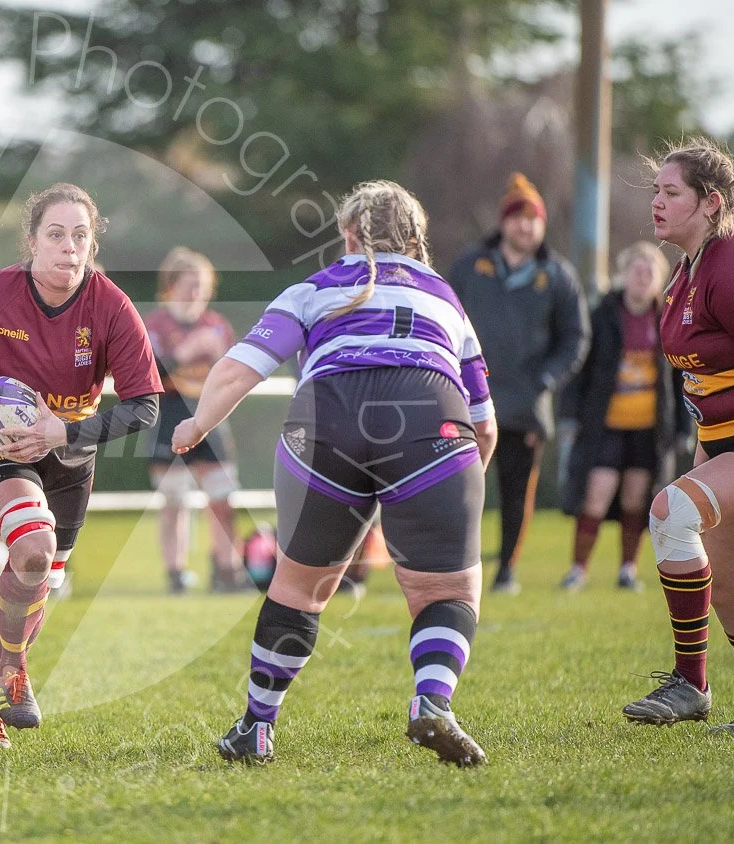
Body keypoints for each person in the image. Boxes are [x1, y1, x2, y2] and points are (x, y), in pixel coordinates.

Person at [174, 180, 497, 767]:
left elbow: (237, 370)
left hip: (327, 417)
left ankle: (257, 726)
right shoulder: (447, 299)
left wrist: (195, 427)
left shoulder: (314, 288)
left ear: (349, 236)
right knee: (445, 590)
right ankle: (432, 701)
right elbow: (486, 423)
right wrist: (451, 487)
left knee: (299, 586)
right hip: (429, 418)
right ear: (416, 240)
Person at [0, 183, 163, 749]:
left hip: (71, 456)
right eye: (55, 234)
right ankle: (8, 678)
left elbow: (145, 406)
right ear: (31, 242)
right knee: (33, 548)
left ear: (92, 243)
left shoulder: (112, 307)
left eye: (80, 235)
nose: (69, 247)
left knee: (41, 583)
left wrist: (65, 430)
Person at [621, 138, 734, 734]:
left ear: (710, 203)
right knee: (733, 592)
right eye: (655, 191)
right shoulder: (690, 266)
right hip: (732, 443)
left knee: (667, 510)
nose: (656, 202)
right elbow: (709, 384)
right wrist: (704, 456)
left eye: (670, 192)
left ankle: (691, 683)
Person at [448, 172, 588, 593]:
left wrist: (546, 378)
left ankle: (506, 569)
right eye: (516, 217)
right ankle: (456, 564)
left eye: (532, 218)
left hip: (526, 404)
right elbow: (443, 318)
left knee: (514, 493)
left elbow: (576, 338)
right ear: (503, 222)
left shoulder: (558, 275)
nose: (524, 226)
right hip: (465, 399)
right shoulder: (470, 266)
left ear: (542, 225)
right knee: (459, 488)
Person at [558, 242, 688, 591]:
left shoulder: (667, 320)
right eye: (637, 270)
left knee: (636, 499)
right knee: (595, 495)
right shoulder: (601, 315)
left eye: (650, 273)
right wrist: (569, 415)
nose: (642, 278)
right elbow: (579, 370)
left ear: (659, 279)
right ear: (624, 274)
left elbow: (680, 379)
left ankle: (627, 570)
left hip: (649, 430)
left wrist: (683, 426)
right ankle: (577, 570)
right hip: (606, 426)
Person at [144, 247, 242, 593]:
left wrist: (221, 359)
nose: (196, 293)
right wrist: (186, 351)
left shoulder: (216, 326)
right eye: (189, 285)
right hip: (169, 415)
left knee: (222, 497)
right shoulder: (154, 325)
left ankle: (227, 571)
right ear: (170, 287)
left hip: (210, 417)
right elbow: (150, 374)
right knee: (174, 501)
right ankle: (176, 572)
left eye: (202, 285)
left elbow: (233, 375)